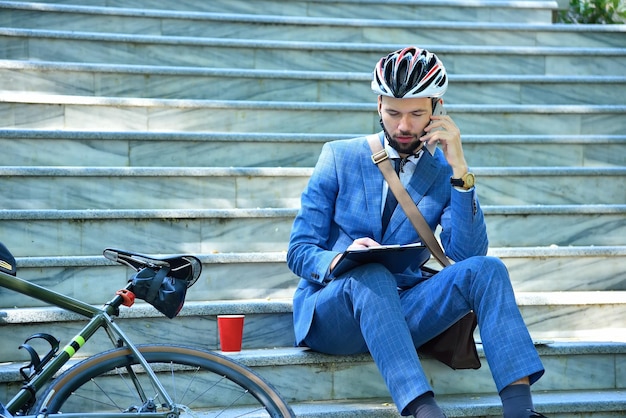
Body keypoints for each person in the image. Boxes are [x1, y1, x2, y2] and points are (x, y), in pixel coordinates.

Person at [286, 46, 546, 418]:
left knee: (489, 270)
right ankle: (424, 411)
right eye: (393, 113)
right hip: (333, 312)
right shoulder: (338, 156)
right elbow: (299, 250)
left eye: (415, 114)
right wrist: (341, 258)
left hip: (404, 307)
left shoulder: (442, 171)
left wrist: (459, 168)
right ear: (378, 106)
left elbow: (468, 253)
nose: (403, 126)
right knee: (370, 272)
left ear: (436, 111)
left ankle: (520, 411)